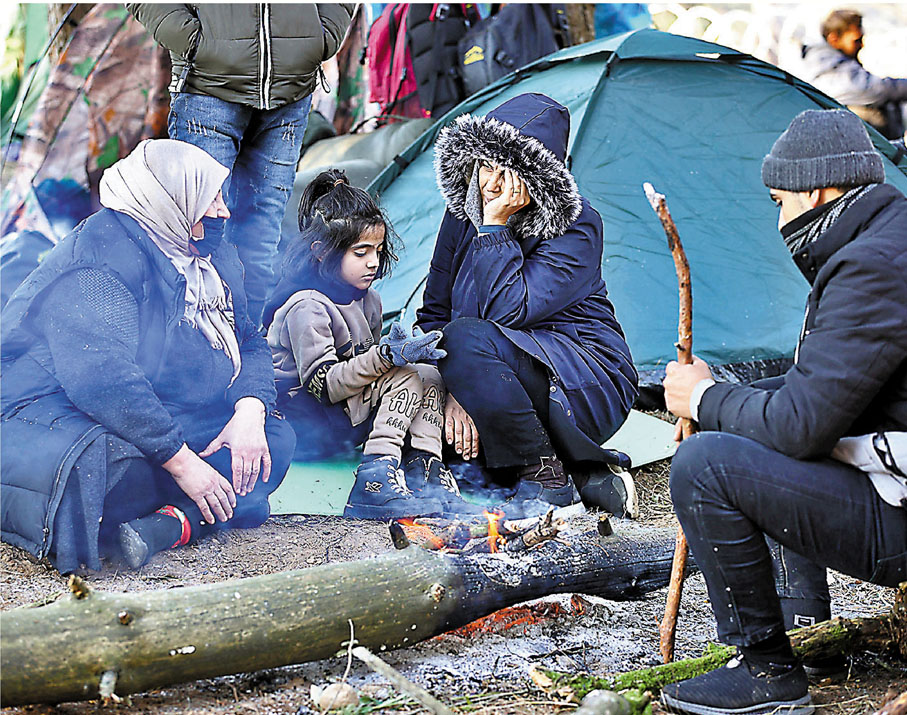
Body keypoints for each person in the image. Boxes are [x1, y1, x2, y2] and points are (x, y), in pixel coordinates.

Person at [660, 109, 907, 714]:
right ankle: (803, 622)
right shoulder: (887, 239)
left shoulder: (873, 265)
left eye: (779, 201)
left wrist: (703, 400)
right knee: (760, 431)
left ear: (817, 191)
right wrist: (720, 392)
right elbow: (827, 389)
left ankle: (765, 672)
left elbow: (801, 425)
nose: (777, 219)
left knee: (706, 464)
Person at [0, 139, 296, 574]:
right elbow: (103, 379)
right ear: (170, 198)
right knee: (115, 477)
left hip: (150, 409)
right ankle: (190, 513)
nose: (222, 211)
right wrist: (182, 462)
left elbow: (249, 340)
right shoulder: (99, 258)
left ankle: (173, 524)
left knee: (271, 442)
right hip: (52, 416)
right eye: (208, 197)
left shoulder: (209, 258)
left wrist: (250, 411)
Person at [417, 92, 639, 520]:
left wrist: (495, 227)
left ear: (536, 177)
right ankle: (585, 475)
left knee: (464, 339)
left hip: (583, 375)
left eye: (508, 170)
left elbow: (508, 312)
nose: (492, 183)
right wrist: (448, 389)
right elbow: (433, 314)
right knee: (435, 440)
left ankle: (547, 481)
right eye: (485, 164)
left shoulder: (577, 225)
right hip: (486, 372)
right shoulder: (462, 213)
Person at [263, 170, 483, 520]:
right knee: (403, 376)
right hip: (303, 422)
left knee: (426, 371)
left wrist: (399, 356)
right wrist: (385, 358)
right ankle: (374, 480)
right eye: (360, 252)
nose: (373, 262)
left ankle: (426, 472)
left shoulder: (371, 300)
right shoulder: (307, 305)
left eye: (378, 250)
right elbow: (326, 387)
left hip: (340, 418)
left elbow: (368, 370)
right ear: (321, 252)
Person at [127, 4, 355, 324]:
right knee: (197, 236)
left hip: (290, 91)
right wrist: (194, 41)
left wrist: (322, 38)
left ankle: (246, 352)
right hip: (207, 86)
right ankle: (188, 353)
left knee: (260, 244)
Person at [800, 9, 907, 139]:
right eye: (856, 40)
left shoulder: (838, 63)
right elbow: (870, 89)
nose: (861, 45)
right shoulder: (823, 65)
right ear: (834, 39)